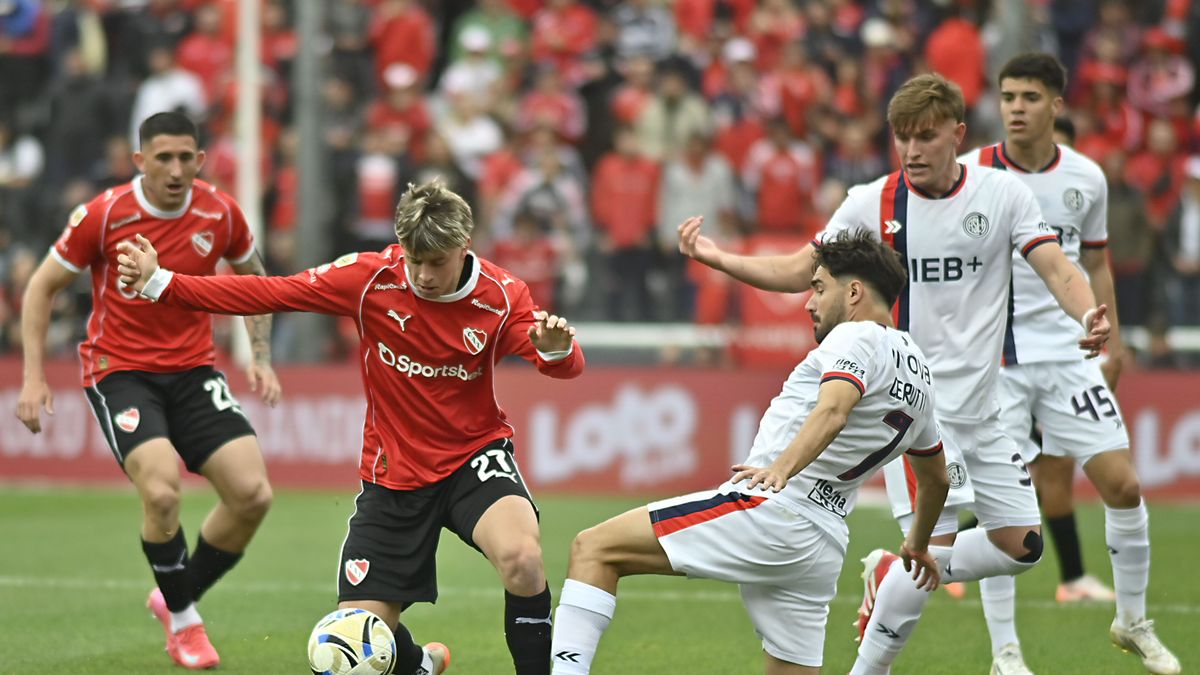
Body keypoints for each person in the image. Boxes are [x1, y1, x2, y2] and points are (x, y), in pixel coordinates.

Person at [678, 73, 1110, 675]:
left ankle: (887, 568)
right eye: (902, 137)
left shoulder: (1002, 195)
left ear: (957, 135)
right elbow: (803, 268)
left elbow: (1058, 269)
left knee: (1023, 548)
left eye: (926, 137)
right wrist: (719, 257)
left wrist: (1085, 310)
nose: (912, 150)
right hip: (914, 406)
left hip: (983, 409)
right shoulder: (869, 200)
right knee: (927, 555)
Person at [117, 179, 585, 675]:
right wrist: (160, 282)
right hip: (393, 476)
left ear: (464, 247)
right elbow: (270, 291)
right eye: (414, 259)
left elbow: (562, 364)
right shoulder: (370, 279)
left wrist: (556, 348)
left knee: (522, 558)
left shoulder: (501, 295)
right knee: (349, 644)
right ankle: (418, 666)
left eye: (437, 261)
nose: (423, 275)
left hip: (475, 459)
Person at [550, 231, 949, 674]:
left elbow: (834, 408)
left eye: (818, 288)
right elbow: (936, 478)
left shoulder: (856, 338)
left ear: (853, 292)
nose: (808, 303)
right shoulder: (921, 374)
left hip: (777, 512)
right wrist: (917, 543)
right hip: (823, 541)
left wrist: (780, 470)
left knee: (594, 548)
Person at [15, 111, 280, 671]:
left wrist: (259, 356)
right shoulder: (104, 214)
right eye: (164, 157)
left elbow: (254, 279)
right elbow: (41, 288)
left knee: (253, 495)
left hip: (193, 373)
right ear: (140, 161)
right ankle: (186, 623)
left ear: (200, 160)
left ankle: (172, 594)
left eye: (187, 157)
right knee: (161, 494)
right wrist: (33, 376)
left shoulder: (219, 210)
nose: (176, 168)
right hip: (121, 372)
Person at [962, 53, 1179, 675]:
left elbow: (1096, 263)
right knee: (1004, 511)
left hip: (1068, 354)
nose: (1015, 108)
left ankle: (1132, 621)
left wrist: (1108, 335)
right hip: (994, 363)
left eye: (1029, 97)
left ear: (1056, 106)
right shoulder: (972, 172)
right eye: (1007, 97)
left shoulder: (1086, 177)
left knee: (1124, 484)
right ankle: (1005, 652)